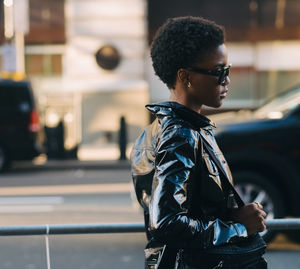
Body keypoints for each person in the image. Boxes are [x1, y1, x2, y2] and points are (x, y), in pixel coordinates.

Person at [131, 16, 267, 269]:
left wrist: (230, 215)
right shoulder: (180, 134)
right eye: (218, 71)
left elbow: (192, 209)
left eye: (227, 70)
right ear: (185, 76)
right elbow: (167, 223)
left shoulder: (157, 130)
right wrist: (238, 226)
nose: (226, 80)